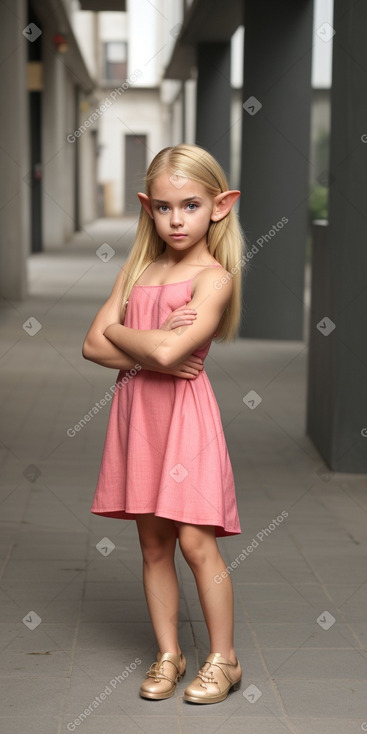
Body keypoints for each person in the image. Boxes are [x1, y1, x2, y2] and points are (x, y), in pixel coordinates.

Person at [82, 143, 246, 704]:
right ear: (147, 207)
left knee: (197, 543)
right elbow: (89, 346)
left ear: (220, 206)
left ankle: (224, 660)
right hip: (140, 418)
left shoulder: (214, 278)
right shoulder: (138, 269)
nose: (177, 219)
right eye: (164, 207)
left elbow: (170, 352)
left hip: (186, 421)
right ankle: (169, 653)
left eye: (192, 205)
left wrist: (130, 339)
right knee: (153, 545)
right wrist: (152, 347)